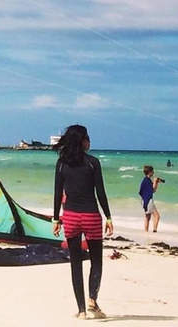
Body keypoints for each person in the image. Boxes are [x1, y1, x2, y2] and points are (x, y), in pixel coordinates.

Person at [52, 124, 113, 320]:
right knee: (96, 261)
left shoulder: (61, 164)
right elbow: (101, 193)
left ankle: (81, 311)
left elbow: (57, 193)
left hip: (70, 217)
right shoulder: (93, 163)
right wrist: (109, 217)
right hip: (91, 217)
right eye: (87, 137)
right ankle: (92, 301)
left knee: (75, 263)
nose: (90, 141)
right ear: (82, 141)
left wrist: (56, 219)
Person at [139, 165, 162, 233]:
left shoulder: (145, 180)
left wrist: (156, 183)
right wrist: (155, 182)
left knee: (147, 217)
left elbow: (151, 190)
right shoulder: (147, 181)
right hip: (148, 201)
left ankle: (146, 232)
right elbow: (152, 190)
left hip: (144, 200)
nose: (153, 172)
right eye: (152, 171)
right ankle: (154, 230)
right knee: (157, 216)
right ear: (150, 172)